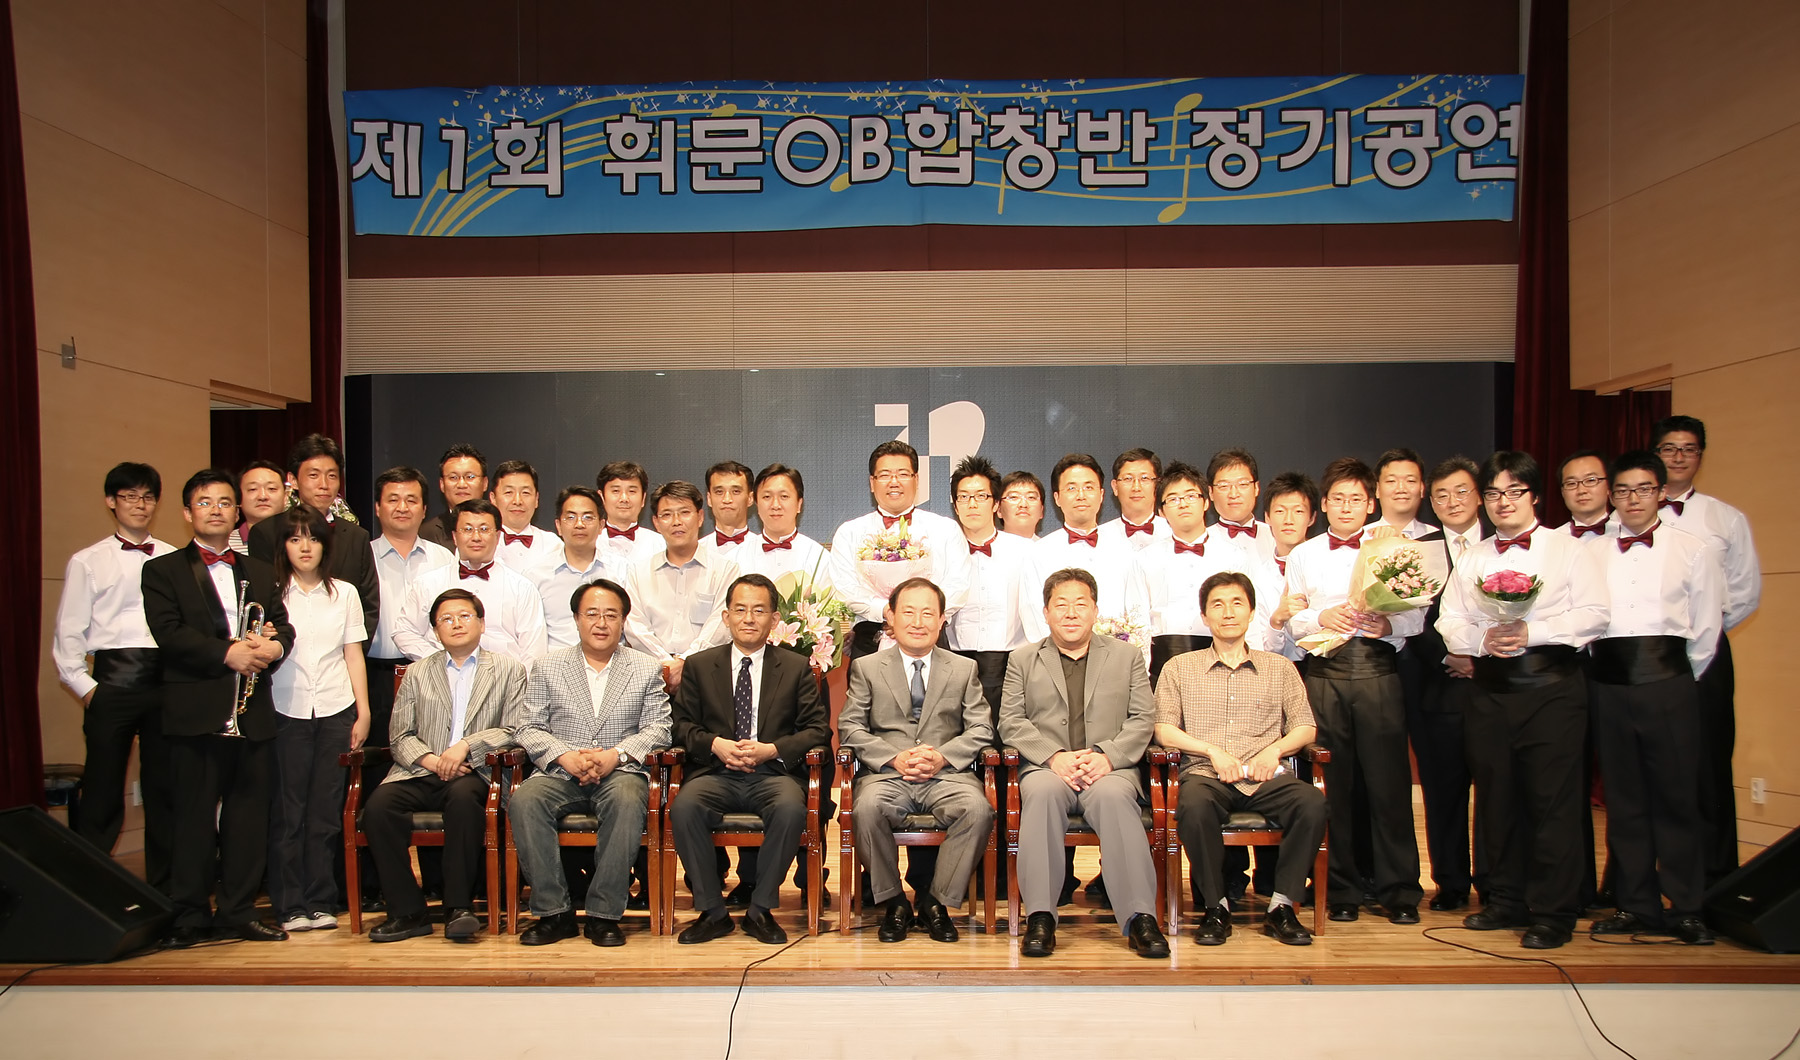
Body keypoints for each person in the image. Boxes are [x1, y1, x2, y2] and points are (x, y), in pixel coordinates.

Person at [1437, 451, 1609, 949]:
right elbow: (1449, 618)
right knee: (1497, 798)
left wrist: (1533, 632)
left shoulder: (1568, 549)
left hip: (1551, 688)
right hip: (1490, 690)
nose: (1503, 502)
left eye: (1514, 492)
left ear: (1534, 496)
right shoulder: (1474, 556)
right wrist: (1480, 640)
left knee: (1552, 802)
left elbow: (1595, 614)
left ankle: (1554, 911)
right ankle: (1505, 898)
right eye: (1493, 493)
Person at [142, 469, 294, 945]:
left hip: (251, 714)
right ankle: (188, 914)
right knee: (191, 819)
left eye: (225, 503)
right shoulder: (162, 571)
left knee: (248, 818)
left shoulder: (260, 570)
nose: (216, 510)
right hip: (195, 712)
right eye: (205, 503)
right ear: (187, 513)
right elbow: (169, 633)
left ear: (236, 512)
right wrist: (228, 653)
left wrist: (274, 648)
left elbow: (282, 626)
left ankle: (237, 910)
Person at [999, 568, 1169, 960]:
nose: (1071, 613)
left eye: (1080, 604)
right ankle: (1041, 916)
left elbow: (1142, 718)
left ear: (1095, 610)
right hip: (1047, 769)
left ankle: (1140, 918)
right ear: (1046, 612)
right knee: (1041, 794)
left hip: (1109, 769)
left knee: (1114, 799)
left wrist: (1108, 756)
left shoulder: (1126, 656)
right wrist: (1052, 757)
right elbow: (1011, 720)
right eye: (1061, 605)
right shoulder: (1022, 659)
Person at [1586, 451, 1720, 945]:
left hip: (1669, 681)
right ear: (1611, 496)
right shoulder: (1592, 552)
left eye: (1643, 489)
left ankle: (1686, 907)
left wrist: (1673, 678)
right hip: (1608, 683)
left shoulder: (1693, 549)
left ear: (1661, 492)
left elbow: (1707, 628)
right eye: (1622, 491)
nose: (1632, 499)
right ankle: (1635, 904)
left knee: (1676, 798)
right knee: (1624, 801)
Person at [1281, 457, 1423, 925]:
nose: (1346, 507)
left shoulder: (1392, 548)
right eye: (1338, 499)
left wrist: (1389, 624)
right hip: (1324, 674)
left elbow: (1416, 615)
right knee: (1331, 785)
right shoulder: (1304, 554)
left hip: (1378, 671)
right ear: (1324, 505)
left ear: (1371, 503)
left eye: (1356, 500)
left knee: (1388, 785)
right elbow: (1291, 619)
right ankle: (1339, 887)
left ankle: (1399, 890)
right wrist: (1320, 617)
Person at [1155, 571, 1325, 946]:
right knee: (1193, 806)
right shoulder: (1179, 668)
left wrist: (1274, 750)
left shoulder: (1280, 667)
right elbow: (1164, 730)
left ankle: (1281, 906)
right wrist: (1211, 751)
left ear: (1251, 612)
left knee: (1312, 803)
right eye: (1217, 605)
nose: (1228, 613)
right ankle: (1215, 907)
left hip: (1266, 776)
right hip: (1206, 774)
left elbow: (1305, 728)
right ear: (1204, 616)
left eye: (1237, 604)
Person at [668, 574, 830, 945]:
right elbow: (681, 726)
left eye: (759, 611)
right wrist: (715, 745)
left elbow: (816, 729)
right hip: (716, 772)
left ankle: (760, 910)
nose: (749, 619)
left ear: (774, 619)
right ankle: (712, 912)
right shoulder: (699, 666)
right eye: (740, 610)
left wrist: (772, 749)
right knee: (684, 807)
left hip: (773, 774)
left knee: (790, 809)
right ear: (726, 617)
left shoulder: (795, 667)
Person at [510, 579, 672, 946]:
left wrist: (616, 755)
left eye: (611, 615)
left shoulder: (645, 668)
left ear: (623, 621)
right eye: (592, 614)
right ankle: (554, 913)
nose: (601, 623)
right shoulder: (548, 666)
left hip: (620, 770)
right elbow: (528, 727)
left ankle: (603, 914)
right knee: (525, 801)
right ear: (576, 619)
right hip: (560, 771)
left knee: (628, 800)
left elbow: (659, 728)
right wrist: (563, 755)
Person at [364, 589, 526, 942]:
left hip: (475, 771)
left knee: (464, 802)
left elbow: (515, 729)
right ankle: (408, 911)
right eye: (446, 619)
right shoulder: (417, 672)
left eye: (465, 616)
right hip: (420, 769)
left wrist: (466, 746)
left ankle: (458, 908)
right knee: (378, 808)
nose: (456, 624)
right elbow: (400, 734)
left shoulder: (508, 669)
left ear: (481, 623)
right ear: (436, 630)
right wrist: (432, 760)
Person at [839, 578, 994, 943]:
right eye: (908, 612)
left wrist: (942, 756)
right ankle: (894, 902)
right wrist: (894, 757)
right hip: (888, 775)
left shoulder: (963, 668)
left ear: (942, 620)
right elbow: (850, 727)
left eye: (928, 613)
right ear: (891, 617)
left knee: (978, 810)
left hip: (947, 775)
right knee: (866, 808)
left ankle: (936, 904)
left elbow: (981, 728)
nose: (918, 622)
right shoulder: (867, 667)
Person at [1650, 415, 1761, 884]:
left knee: (1709, 764)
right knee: (1647, 768)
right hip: (1643, 657)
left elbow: (1744, 592)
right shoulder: (1621, 520)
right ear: (1655, 455)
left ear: (1700, 456)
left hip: (1706, 652)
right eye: (1669, 448)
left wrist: (1701, 633)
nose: (1678, 457)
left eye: (1689, 449)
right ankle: (1639, 881)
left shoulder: (1725, 518)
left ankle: (1716, 879)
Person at [53, 462, 174, 891]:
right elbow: (68, 635)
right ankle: (91, 891)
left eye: (148, 497)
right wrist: (89, 691)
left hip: (164, 684)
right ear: (111, 501)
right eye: (130, 496)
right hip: (112, 684)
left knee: (164, 791)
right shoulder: (87, 561)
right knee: (103, 793)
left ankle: (166, 892)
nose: (140, 505)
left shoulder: (173, 557)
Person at [265, 505, 370, 933]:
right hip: (285, 709)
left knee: (326, 811)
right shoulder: (272, 593)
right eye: (295, 539)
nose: (304, 547)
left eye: (312, 538)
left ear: (325, 546)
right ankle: (289, 903)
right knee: (289, 811)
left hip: (335, 707)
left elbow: (353, 653)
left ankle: (322, 900)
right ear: (284, 547)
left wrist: (363, 710)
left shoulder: (344, 593)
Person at [1127, 461, 1280, 687]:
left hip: (1222, 659)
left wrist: (1254, 672)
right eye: (1173, 499)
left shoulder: (1234, 557)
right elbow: (1138, 622)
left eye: (1191, 496)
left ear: (1206, 502)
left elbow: (1249, 619)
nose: (1183, 504)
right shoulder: (1144, 559)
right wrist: (1139, 679)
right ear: (1161, 511)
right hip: (1163, 663)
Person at [1411, 456, 1485, 912]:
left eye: (1461, 492)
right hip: (1438, 686)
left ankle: (1496, 883)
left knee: (1497, 790)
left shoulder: (1505, 543)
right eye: (1441, 495)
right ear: (1430, 501)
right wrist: (1448, 656)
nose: (1452, 501)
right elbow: (1408, 619)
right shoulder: (1418, 551)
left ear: (1479, 495)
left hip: (1497, 687)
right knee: (1443, 792)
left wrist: (1482, 659)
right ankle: (1452, 883)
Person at [829, 440, 970, 663]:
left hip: (929, 637)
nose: (894, 482)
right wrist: (886, 611)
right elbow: (845, 588)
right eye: (884, 475)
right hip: (870, 638)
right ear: (872, 482)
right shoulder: (849, 532)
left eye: (903, 474)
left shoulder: (946, 529)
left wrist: (916, 617)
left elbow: (957, 585)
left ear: (916, 480)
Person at [247, 434, 380, 641]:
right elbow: (262, 600)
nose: (324, 484)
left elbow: (369, 605)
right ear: (293, 480)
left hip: (343, 653)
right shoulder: (267, 533)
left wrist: (352, 650)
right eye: (313, 475)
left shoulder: (357, 536)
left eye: (332, 476)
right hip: (286, 649)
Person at [393, 500, 547, 667]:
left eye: (484, 529)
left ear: (497, 537)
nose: (476, 537)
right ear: (454, 537)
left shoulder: (522, 588)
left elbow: (534, 650)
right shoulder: (428, 583)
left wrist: (514, 680)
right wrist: (439, 661)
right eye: (467, 529)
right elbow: (404, 631)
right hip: (442, 677)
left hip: (504, 678)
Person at [623, 481, 740, 693]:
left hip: (707, 677)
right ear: (656, 523)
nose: (676, 522)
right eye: (667, 515)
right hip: (650, 676)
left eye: (684, 512)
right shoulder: (638, 572)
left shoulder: (725, 570)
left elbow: (720, 625)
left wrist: (686, 663)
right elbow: (634, 626)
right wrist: (666, 666)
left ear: (700, 517)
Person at [1024, 454, 1135, 641]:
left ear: (1101, 495)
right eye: (1071, 488)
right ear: (1057, 498)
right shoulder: (1039, 552)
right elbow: (1033, 613)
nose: (1081, 495)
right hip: (1058, 653)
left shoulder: (1125, 549)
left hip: (1117, 652)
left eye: (1089, 487)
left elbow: (1136, 609)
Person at [527, 486, 610, 651]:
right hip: (555, 662)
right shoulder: (535, 576)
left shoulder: (623, 571)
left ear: (601, 525)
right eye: (571, 517)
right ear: (558, 525)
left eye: (588, 517)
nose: (579, 524)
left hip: (609, 661)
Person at [732, 463, 830, 586]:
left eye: (784, 496)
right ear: (757, 504)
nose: (775, 505)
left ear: (799, 504)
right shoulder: (735, 558)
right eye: (767, 496)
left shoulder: (819, 557)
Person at [1204, 448, 1278, 573]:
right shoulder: (1203, 542)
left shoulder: (1275, 536)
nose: (1234, 494)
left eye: (1243, 484)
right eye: (1224, 486)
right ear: (1211, 492)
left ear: (1256, 488)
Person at [489, 459, 561, 571]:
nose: (517, 501)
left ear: (536, 499)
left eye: (525, 493)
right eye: (509, 492)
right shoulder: (480, 543)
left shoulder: (553, 544)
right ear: (493, 498)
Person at [1098, 448, 1168, 552]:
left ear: (1158, 485)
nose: (1136, 487)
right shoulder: (1100, 537)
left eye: (1144, 478)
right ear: (1115, 487)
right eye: (1128, 479)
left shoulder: (1175, 532)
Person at [595, 460, 661, 568]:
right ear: (602, 497)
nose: (624, 498)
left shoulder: (661, 545)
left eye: (632, 491)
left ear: (643, 498)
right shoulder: (589, 544)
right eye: (616, 491)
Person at [422, 444, 488, 549]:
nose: (461, 484)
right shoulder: (426, 534)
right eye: (453, 477)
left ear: (484, 483)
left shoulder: (500, 529)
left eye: (470, 477)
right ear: (442, 484)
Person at [228, 459, 285, 555]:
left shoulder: (301, 541)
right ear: (238, 497)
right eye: (253, 489)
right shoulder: (226, 544)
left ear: (286, 496)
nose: (263, 496)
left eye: (271, 488)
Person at [703, 460, 756, 554]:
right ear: (709, 499)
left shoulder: (763, 551)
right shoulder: (694, 552)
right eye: (719, 492)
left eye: (736, 491)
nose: (727, 499)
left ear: (750, 498)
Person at [1558, 450, 1612, 540]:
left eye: (1591, 480)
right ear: (1562, 492)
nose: (1581, 490)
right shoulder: (1552, 540)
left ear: (1609, 486)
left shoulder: (1628, 535)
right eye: (1571, 483)